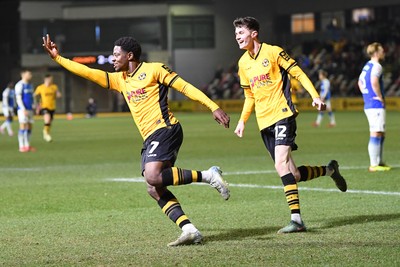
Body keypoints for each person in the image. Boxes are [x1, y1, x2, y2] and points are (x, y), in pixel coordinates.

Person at [43, 34, 231, 246]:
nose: (112, 59)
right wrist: (58, 58)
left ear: (129, 55)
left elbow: (185, 87)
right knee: (153, 188)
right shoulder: (120, 80)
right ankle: (189, 230)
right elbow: (88, 72)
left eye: (116, 55)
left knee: (152, 175)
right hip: (150, 137)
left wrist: (213, 106)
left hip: (166, 128)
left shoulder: (155, 69)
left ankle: (209, 175)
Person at [232, 17, 347, 234]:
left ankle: (297, 220)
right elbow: (249, 95)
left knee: (280, 166)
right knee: (292, 174)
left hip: (283, 114)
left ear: (254, 33)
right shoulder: (243, 63)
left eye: (241, 32)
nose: (237, 37)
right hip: (263, 122)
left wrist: (315, 96)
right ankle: (330, 170)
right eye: (236, 33)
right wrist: (242, 121)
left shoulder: (274, 52)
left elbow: (298, 73)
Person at [358, 42, 390, 172]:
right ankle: (374, 164)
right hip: (375, 104)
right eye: (382, 50)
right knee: (376, 132)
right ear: (376, 52)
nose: (383, 52)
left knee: (380, 132)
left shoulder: (367, 66)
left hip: (369, 103)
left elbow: (360, 82)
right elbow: (373, 81)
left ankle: (379, 161)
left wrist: (366, 95)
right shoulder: (377, 66)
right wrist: (379, 96)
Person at [34, 74, 62, 142]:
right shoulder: (40, 87)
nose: (51, 80)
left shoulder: (54, 87)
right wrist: (37, 106)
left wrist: (58, 94)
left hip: (52, 106)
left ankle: (46, 132)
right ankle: (46, 133)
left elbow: (59, 95)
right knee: (47, 119)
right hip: (44, 106)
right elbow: (35, 96)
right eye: (50, 79)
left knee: (49, 122)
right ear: (46, 79)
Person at [15, 69, 35, 152]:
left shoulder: (30, 85)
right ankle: (21, 146)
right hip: (23, 110)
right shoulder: (20, 85)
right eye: (28, 74)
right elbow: (18, 98)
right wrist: (23, 109)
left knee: (29, 126)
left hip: (30, 109)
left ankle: (27, 145)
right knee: (23, 126)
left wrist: (35, 105)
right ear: (23, 75)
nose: (30, 76)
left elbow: (32, 97)